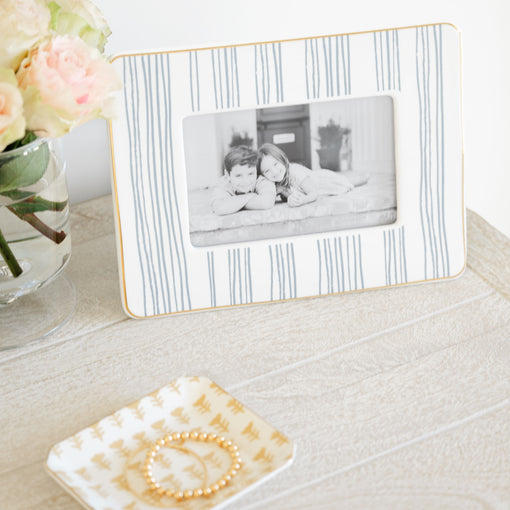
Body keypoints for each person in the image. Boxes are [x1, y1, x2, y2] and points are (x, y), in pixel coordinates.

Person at [256, 143, 368, 207]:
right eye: (267, 171)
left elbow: (313, 193)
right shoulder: (275, 183)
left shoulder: (294, 172)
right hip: (314, 183)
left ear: (282, 159)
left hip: (323, 182)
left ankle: (365, 177)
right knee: (347, 181)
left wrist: (304, 200)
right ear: (263, 175)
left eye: (275, 164)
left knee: (347, 182)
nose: (274, 172)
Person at [211, 145, 276, 215]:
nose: (246, 181)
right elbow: (220, 208)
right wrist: (251, 196)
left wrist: (233, 205)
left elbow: (266, 202)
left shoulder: (260, 180)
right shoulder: (223, 183)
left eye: (251, 174)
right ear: (227, 175)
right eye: (238, 176)